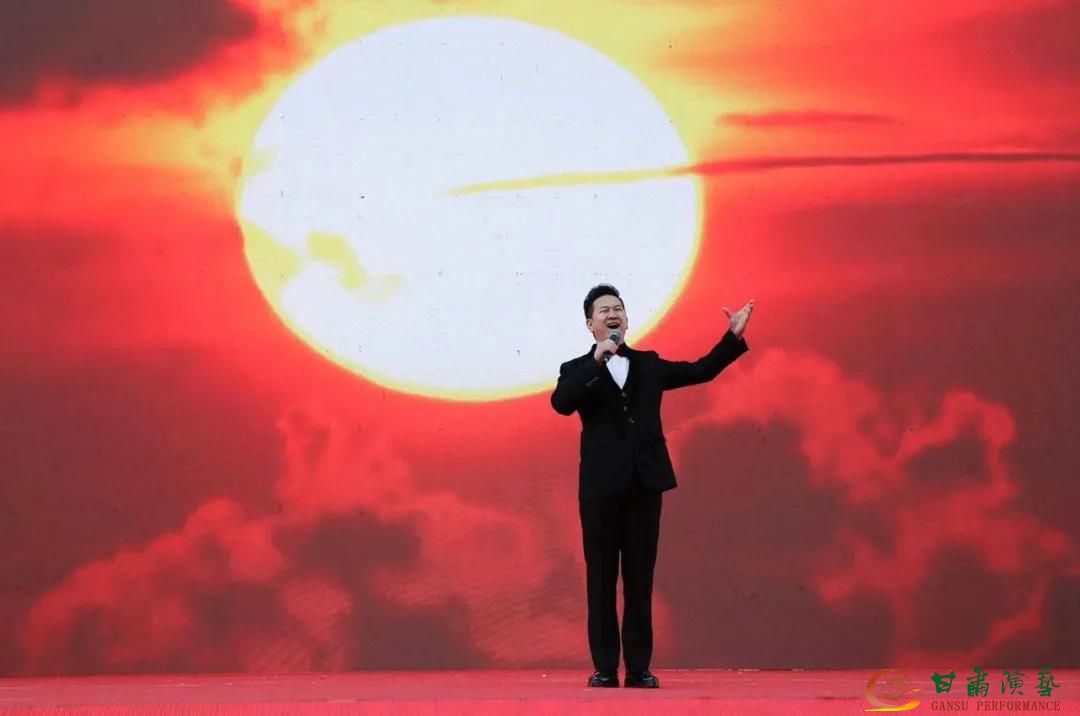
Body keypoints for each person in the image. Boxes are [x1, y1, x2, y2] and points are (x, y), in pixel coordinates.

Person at [550, 284, 754, 688]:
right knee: (601, 579)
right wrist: (596, 360)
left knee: (640, 579)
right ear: (590, 323)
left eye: (619, 308)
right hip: (600, 489)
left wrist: (732, 336)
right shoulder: (576, 369)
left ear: (626, 319)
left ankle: (639, 668)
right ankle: (605, 669)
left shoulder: (648, 364)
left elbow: (700, 371)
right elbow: (561, 403)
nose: (613, 314)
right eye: (604, 310)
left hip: (645, 484)